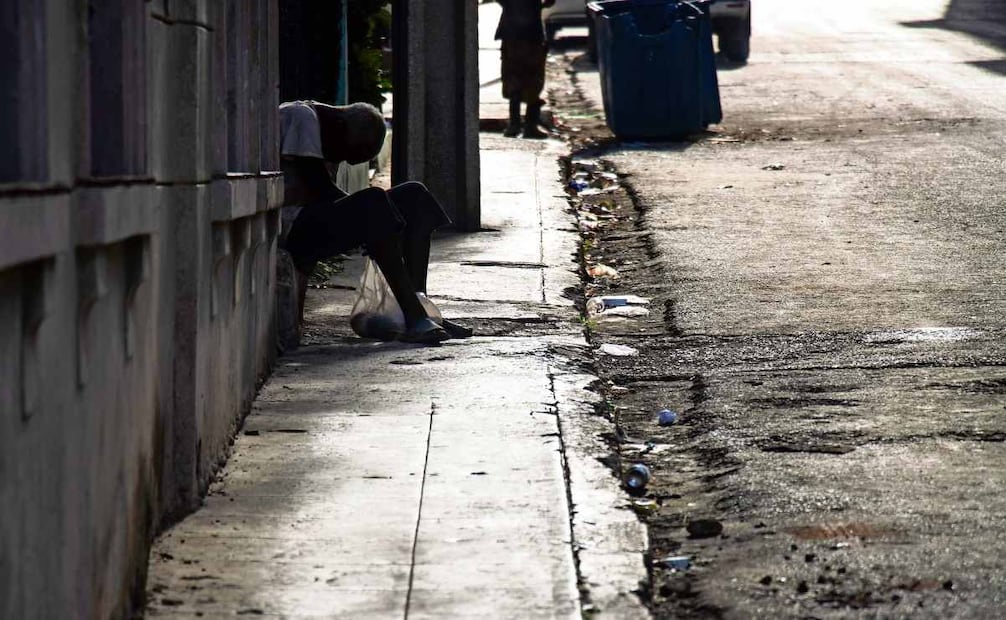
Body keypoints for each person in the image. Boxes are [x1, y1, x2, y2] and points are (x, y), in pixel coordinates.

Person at [278, 100, 472, 345]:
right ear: (341, 127)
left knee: (414, 196)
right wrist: (379, 219)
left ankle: (421, 305)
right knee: (374, 203)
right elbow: (319, 187)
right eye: (350, 154)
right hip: (291, 226)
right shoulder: (300, 116)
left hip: (312, 220)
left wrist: (384, 217)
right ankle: (413, 316)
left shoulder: (325, 130)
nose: (345, 162)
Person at [495, 0, 555, 138]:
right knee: (533, 79)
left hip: (511, 32)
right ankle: (529, 126)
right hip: (531, 33)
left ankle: (515, 124)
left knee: (513, 78)